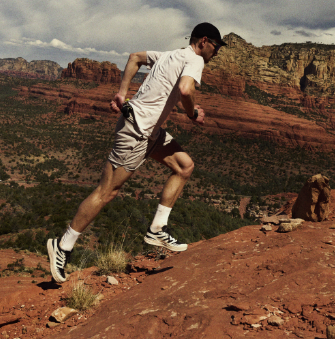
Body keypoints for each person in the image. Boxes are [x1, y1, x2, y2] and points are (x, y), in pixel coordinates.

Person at [46, 22, 226, 283]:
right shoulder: (194, 60)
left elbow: (135, 58)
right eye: (216, 46)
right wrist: (192, 112)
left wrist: (122, 94)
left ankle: (157, 228)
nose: (217, 51)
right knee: (107, 192)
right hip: (137, 132)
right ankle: (62, 245)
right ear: (204, 41)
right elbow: (187, 90)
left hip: (149, 130)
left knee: (184, 166)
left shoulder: (169, 55)